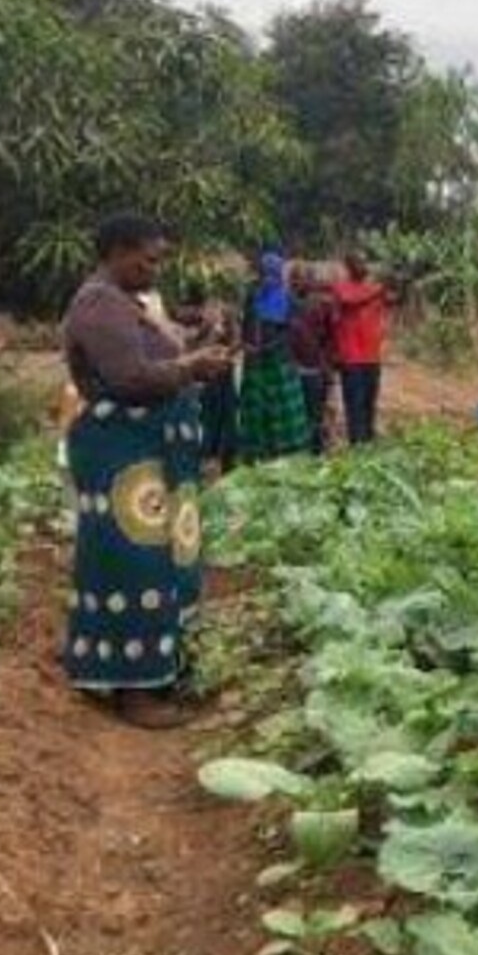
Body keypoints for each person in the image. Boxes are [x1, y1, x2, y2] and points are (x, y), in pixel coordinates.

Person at [61, 213, 233, 728]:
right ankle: (134, 693)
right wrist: (192, 368)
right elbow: (130, 378)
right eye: (149, 258)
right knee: (135, 564)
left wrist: (193, 357)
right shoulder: (98, 305)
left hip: (146, 453)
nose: (156, 268)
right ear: (116, 250)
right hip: (123, 455)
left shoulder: (125, 303)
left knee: (160, 559)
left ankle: (158, 671)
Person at [238, 249, 311, 462]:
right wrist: (246, 344)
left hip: (279, 364)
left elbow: (288, 334)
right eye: (263, 273)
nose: (265, 277)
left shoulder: (288, 300)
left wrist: (261, 348)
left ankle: (285, 460)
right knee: (256, 419)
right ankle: (257, 458)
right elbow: (246, 326)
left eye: (269, 272)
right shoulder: (253, 295)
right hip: (256, 366)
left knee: (283, 421)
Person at [174, 284, 239, 474]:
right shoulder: (186, 322)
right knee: (205, 420)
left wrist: (225, 353)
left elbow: (235, 340)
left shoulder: (224, 314)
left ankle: (225, 460)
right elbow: (189, 349)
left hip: (221, 376)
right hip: (203, 380)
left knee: (224, 419)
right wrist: (212, 335)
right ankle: (204, 461)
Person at [332, 252, 389, 445]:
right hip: (351, 359)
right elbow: (350, 302)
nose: (365, 266)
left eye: (365, 262)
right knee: (354, 407)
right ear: (349, 266)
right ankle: (356, 447)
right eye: (360, 262)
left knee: (369, 405)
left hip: (372, 358)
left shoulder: (372, 289)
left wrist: (400, 285)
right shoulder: (341, 288)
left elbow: (391, 301)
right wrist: (378, 291)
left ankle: (369, 444)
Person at [289, 265, 338, 456]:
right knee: (296, 413)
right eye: (293, 280)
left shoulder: (322, 305)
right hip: (292, 369)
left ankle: (315, 451)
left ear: (311, 282)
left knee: (315, 413)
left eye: (300, 279)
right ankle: (300, 451)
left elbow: (330, 338)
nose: (297, 283)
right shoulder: (286, 305)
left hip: (315, 368)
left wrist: (328, 366)